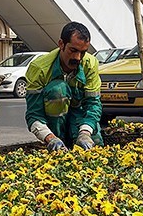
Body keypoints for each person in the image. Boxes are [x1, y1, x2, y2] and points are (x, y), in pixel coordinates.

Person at [24, 21, 103, 152]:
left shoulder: (90, 64)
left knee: (95, 147)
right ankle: (59, 141)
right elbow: (34, 114)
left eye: (83, 52)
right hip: (53, 123)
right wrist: (50, 138)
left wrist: (85, 132)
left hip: (80, 117)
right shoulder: (39, 68)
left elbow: (93, 104)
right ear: (61, 44)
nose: (77, 58)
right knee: (58, 89)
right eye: (73, 50)